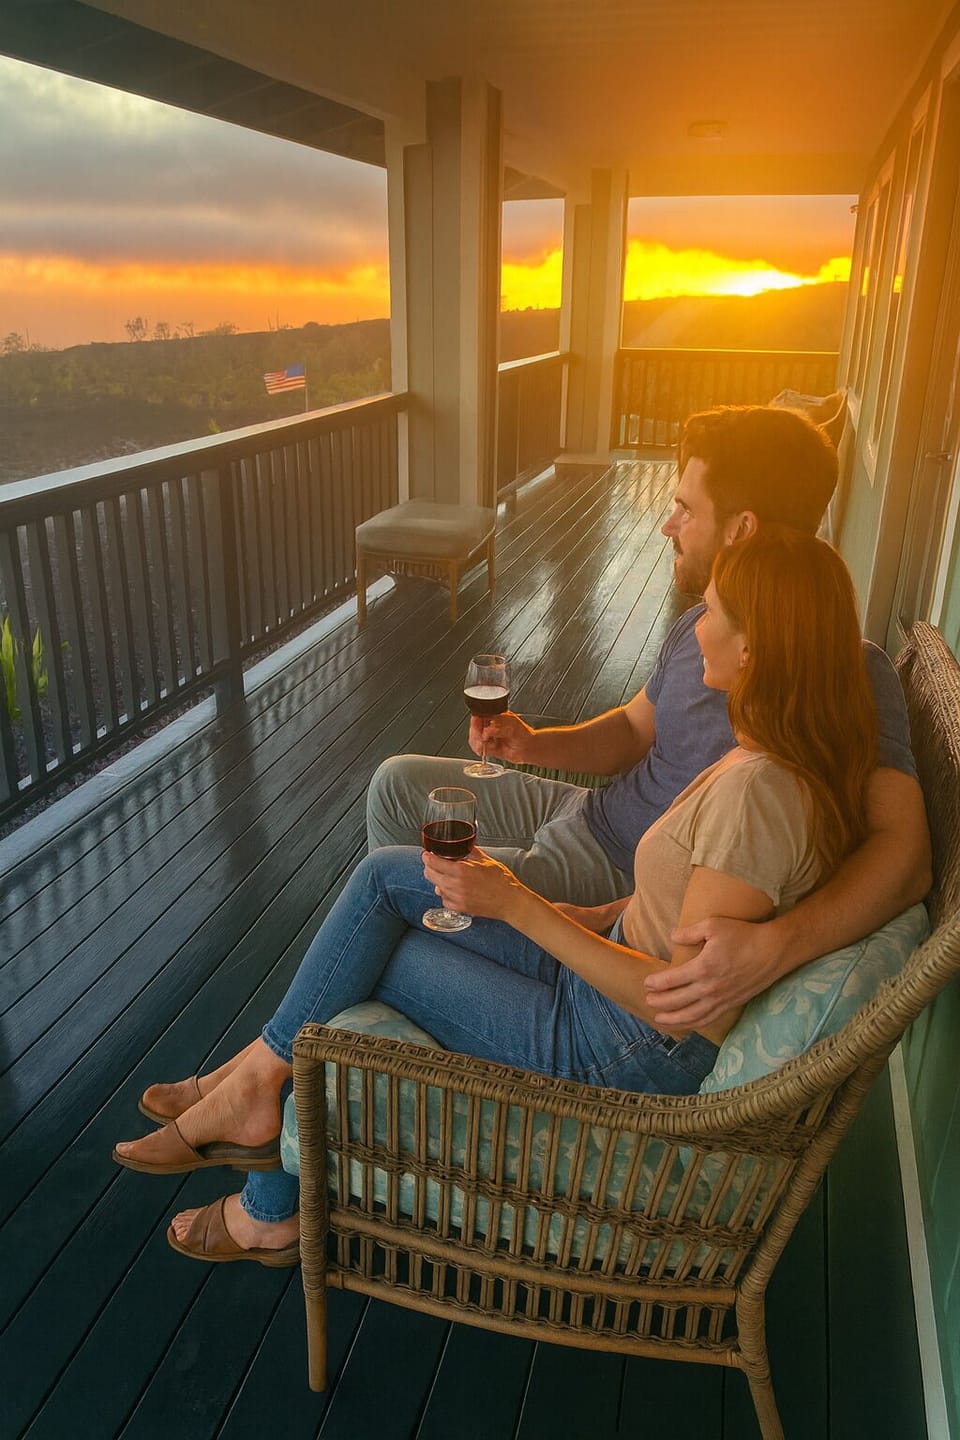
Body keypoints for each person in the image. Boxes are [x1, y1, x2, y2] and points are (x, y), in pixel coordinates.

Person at [115, 528, 879, 1266]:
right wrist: (589, 913)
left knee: (369, 951)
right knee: (387, 880)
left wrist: (514, 901)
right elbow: (675, 912)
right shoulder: (771, 755)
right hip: (602, 975)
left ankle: (265, 1181)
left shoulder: (760, 796)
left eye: (713, 612)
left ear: (752, 646)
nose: (698, 623)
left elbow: (667, 1007)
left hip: (618, 1045)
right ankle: (257, 1097)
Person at [365, 404, 931, 1032]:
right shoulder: (697, 626)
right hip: (588, 813)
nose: (668, 525)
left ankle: (392, 1012)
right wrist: (530, 743)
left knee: (394, 892)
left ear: (741, 527)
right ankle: (405, 1001)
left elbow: (904, 857)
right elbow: (634, 731)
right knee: (395, 783)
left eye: (687, 509)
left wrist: (779, 946)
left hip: (629, 867)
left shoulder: (843, 673)